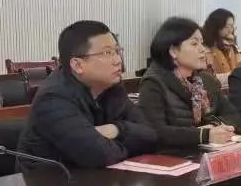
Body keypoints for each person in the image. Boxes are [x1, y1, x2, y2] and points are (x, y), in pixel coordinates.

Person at [18, 20, 157, 167]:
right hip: (49, 179)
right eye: (107, 53)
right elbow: (100, 155)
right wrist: (132, 143)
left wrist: (116, 129)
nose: (118, 60)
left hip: (97, 176)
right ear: (78, 65)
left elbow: (151, 136)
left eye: (117, 51)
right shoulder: (52, 100)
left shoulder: (111, 87)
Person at [139, 17, 241, 147]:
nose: (202, 49)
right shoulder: (153, 83)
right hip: (173, 155)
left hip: (207, 151)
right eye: (194, 44)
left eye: (202, 43)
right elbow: (156, 132)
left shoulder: (206, 80)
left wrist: (215, 128)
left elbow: (235, 117)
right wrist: (204, 134)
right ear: (173, 51)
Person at [202, 8, 241, 77]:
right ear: (216, 27)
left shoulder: (232, 46)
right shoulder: (205, 49)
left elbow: (239, 66)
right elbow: (208, 77)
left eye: (232, 26)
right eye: (226, 27)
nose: (230, 30)